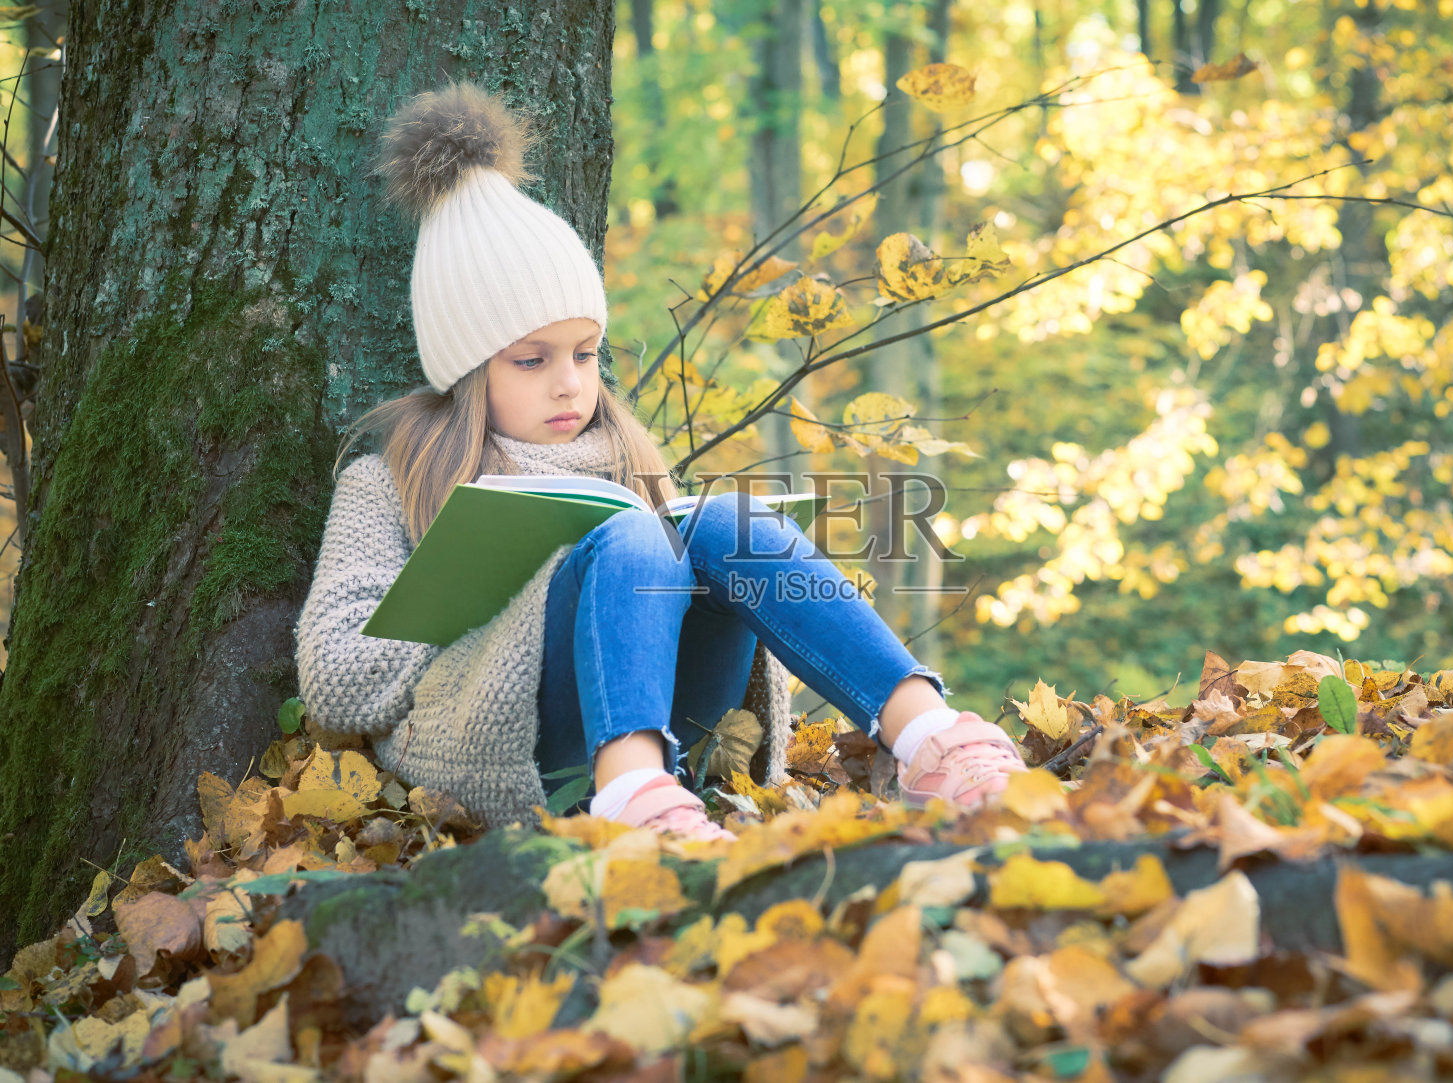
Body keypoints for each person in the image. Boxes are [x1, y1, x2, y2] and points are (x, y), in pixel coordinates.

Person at [294, 81, 1026, 842]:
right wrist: (498, 609)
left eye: (585, 353)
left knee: (726, 520)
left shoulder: (623, 456)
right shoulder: (390, 482)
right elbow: (335, 681)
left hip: (670, 735)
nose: (570, 383)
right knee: (635, 539)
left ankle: (935, 740)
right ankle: (630, 795)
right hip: (501, 751)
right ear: (470, 369)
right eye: (532, 360)